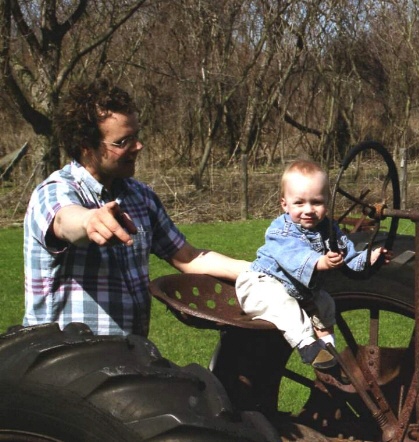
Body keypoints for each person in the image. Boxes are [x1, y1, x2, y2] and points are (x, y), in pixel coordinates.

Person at [23, 78, 249, 337]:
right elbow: (64, 220)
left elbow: (190, 258)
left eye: (136, 136)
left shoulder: (141, 197)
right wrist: (90, 221)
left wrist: (262, 272)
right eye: (123, 142)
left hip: (128, 354)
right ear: (86, 147)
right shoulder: (54, 191)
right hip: (61, 355)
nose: (138, 146)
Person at [235, 160, 391, 369]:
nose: (308, 210)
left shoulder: (329, 228)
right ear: (285, 204)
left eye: (316, 202)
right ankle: (307, 345)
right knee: (285, 306)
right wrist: (320, 261)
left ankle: (328, 350)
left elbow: (347, 257)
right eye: (299, 203)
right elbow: (293, 256)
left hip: (301, 291)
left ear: (327, 201)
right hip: (263, 284)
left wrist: (370, 259)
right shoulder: (280, 230)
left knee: (325, 303)